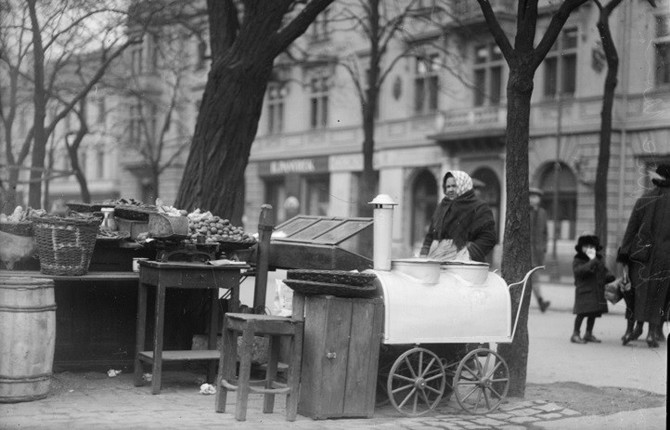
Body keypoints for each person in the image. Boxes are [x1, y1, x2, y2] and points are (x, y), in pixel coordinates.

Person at [617, 164, 670, 348]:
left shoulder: (644, 199)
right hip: (665, 258)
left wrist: (624, 255)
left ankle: (635, 329)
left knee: (638, 293)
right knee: (659, 294)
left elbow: (631, 230)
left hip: (641, 256)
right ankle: (651, 334)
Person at [419, 170, 496, 263]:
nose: (450, 190)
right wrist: (424, 253)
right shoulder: (442, 206)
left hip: (465, 261)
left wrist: (469, 254)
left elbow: (488, 237)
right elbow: (431, 234)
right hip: (437, 258)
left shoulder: (480, 207)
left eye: (454, 186)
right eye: (448, 186)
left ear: (463, 185)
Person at [571, 235, 614, 344]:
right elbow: (579, 271)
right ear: (581, 247)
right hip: (584, 292)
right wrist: (593, 261)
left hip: (596, 292)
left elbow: (604, 272)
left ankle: (588, 333)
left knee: (593, 314)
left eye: (592, 246)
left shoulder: (598, 260)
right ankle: (575, 334)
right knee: (581, 314)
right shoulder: (578, 259)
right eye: (586, 246)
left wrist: (609, 277)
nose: (589, 249)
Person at [529, 187, 550, 312]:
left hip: (538, 251)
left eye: (536, 197)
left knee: (533, 277)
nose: (533, 199)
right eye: (531, 196)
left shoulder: (542, 213)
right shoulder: (525, 211)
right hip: (527, 250)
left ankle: (541, 302)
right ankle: (541, 301)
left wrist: (544, 247)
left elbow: (545, 232)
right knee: (534, 277)